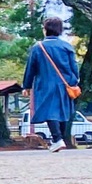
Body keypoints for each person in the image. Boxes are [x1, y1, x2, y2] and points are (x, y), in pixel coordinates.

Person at [21, 16, 80, 151]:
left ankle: (57, 139)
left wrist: (27, 85)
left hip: (46, 84)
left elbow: (31, 68)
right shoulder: (66, 46)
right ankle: (61, 138)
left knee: (49, 111)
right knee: (62, 111)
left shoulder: (38, 47)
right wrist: (74, 81)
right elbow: (73, 67)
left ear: (45, 30)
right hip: (65, 85)